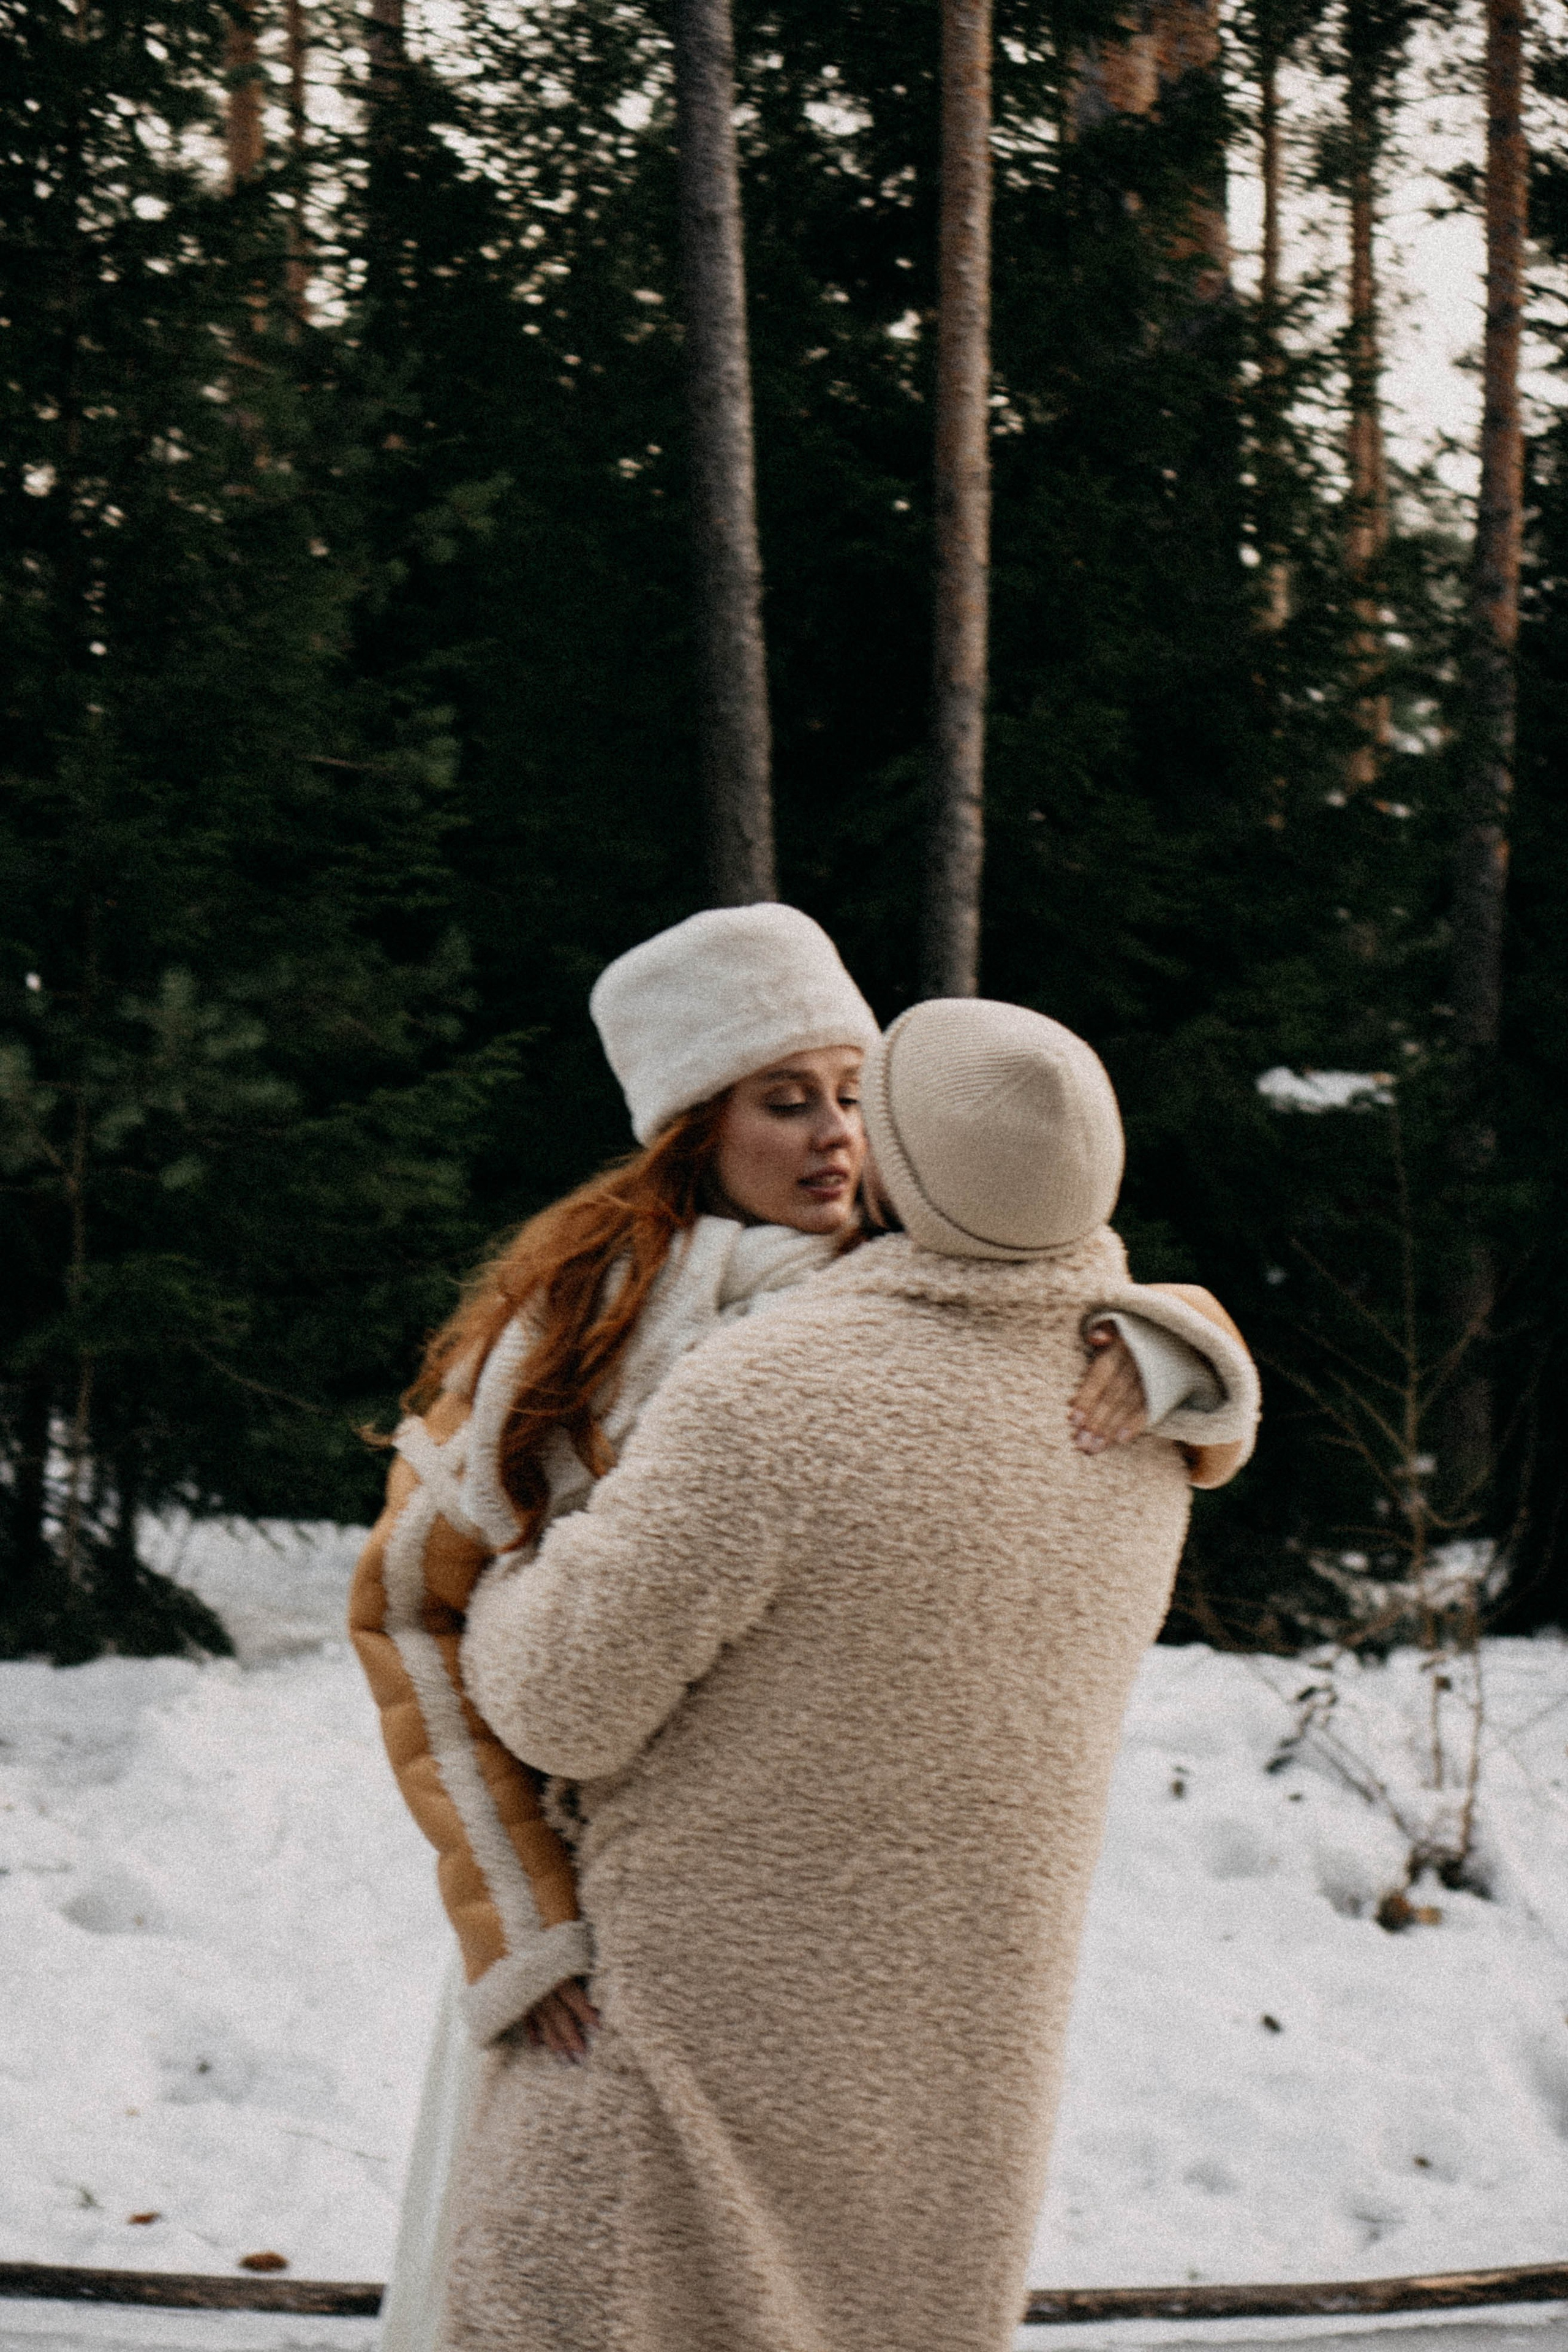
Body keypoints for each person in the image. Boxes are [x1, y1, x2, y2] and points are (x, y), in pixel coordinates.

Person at [349, 918, 1252, 2352]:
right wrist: (521, 1924)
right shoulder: (573, 1324)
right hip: (593, 1938)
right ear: (690, 1129)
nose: (833, 1138)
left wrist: (1169, 1349)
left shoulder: (911, 1279)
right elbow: (412, 1612)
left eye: (852, 1095)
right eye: (784, 1102)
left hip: (833, 1964)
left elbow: (1094, 1298)